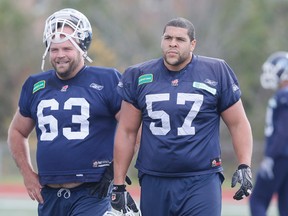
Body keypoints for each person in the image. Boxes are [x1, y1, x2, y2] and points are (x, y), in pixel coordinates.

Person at [109, 17, 253, 216]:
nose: (173, 43)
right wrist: (118, 183)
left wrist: (245, 164)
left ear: (193, 44)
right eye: (168, 37)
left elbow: (238, 123)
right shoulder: (138, 74)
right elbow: (127, 131)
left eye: (180, 39)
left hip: (201, 179)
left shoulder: (216, 70)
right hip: (154, 178)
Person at [7, 8, 128, 216]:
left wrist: (115, 172)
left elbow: (131, 127)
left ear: (82, 48)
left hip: (93, 192)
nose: (60, 55)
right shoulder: (36, 84)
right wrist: (27, 174)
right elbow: (16, 132)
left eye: (67, 49)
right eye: (54, 50)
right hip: (50, 196)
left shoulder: (106, 79)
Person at [249, 52, 288, 216]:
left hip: (280, 156)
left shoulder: (283, 95)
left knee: (257, 200)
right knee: (285, 205)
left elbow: (283, 130)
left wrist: (270, 156)